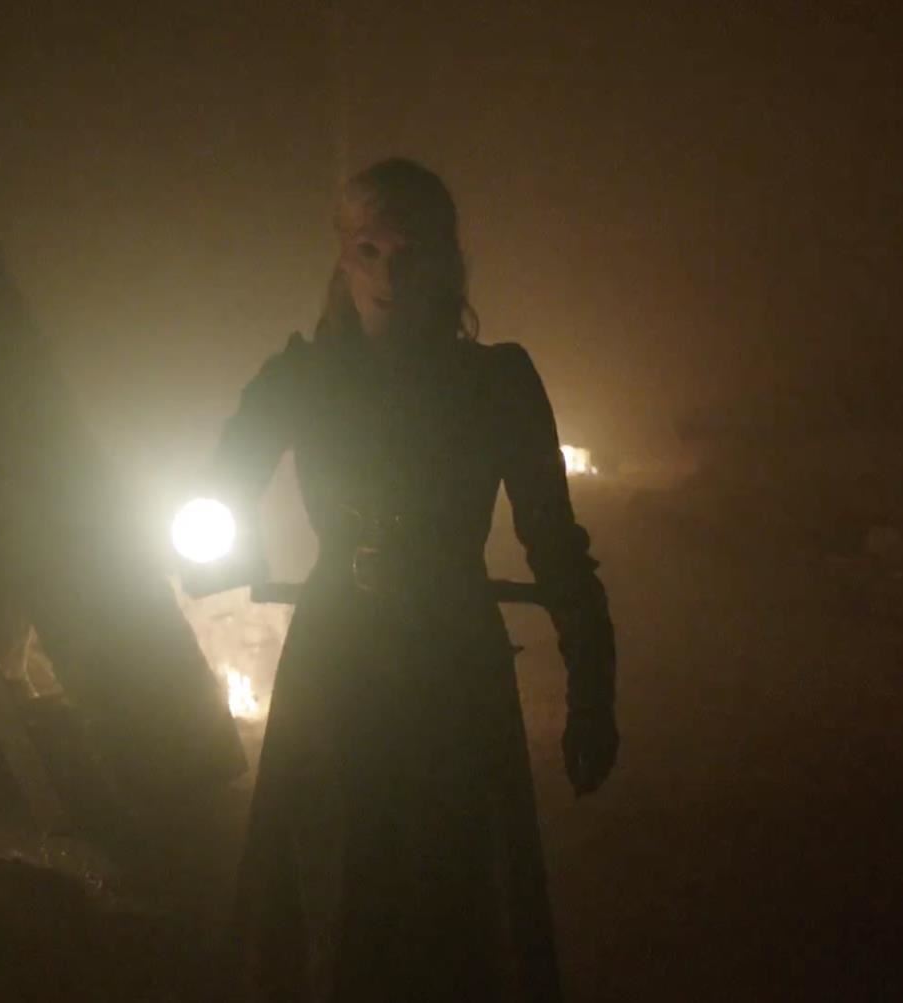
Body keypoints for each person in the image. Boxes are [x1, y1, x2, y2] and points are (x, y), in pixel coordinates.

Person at [218, 159, 617, 1002]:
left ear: (446, 261)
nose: (390, 275)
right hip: (338, 662)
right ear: (343, 258)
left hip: (452, 659)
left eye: (410, 252)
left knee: (453, 897)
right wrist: (224, 535)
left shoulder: (497, 384)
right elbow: (224, 485)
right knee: (334, 888)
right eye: (369, 250)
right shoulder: (301, 378)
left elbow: (554, 543)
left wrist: (594, 685)